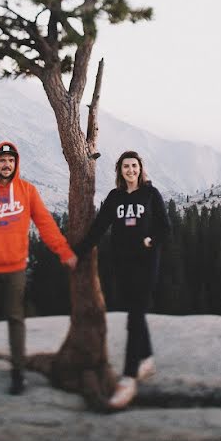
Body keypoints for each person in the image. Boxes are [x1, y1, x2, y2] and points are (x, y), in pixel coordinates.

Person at [0, 141, 77, 396]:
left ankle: (17, 373)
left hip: (15, 268)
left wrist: (64, 252)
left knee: (16, 319)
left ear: (16, 164)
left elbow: (46, 224)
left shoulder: (27, 191)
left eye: (11, 161)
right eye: (2, 161)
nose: (6, 165)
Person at [74, 150, 170, 409]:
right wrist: (78, 253)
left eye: (134, 166)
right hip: (123, 263)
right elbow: (99, 228)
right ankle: (147, 358)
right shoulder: (115, 198)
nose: (130, 170)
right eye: (126, 166)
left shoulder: (151, 194)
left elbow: (165, 226)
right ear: (120, 170)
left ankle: (128, 378)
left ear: (140, 169)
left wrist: (151, 240)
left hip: (147, 262)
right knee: (135, 310)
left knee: (134, 315)